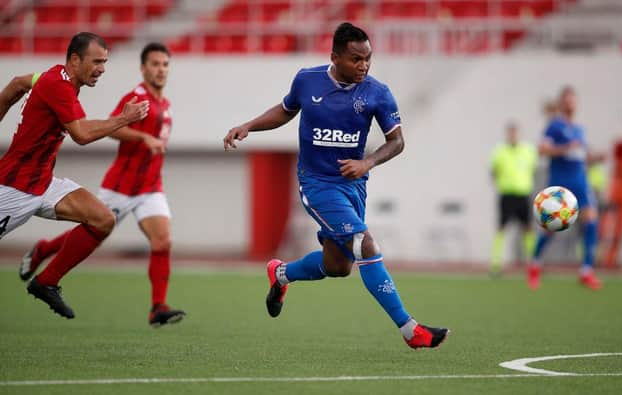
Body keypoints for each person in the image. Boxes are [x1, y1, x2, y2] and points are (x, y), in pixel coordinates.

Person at [223, 22, 449, 349]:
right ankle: (409, 329)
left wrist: (367, 162)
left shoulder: (377, 93)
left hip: (353, 185)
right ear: (335, 57)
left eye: (368, 58)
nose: (364, 65)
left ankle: (281, 274)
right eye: (356, 59)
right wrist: (249, 126)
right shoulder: (307, 79)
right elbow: (286, 110)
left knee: (339, 266)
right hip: (316, 184)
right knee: (364, 243)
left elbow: (397, 141)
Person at [19, 43, 185, 327]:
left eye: (165, 64)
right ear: (143, 68)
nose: (160, 69)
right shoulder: (137, 97)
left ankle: (158, 307)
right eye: (155, 64)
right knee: (95, 227)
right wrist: (142, 138)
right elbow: (113, 127)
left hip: (150, 187)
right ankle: (45, 249)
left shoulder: (164, 104)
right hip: (121, 186)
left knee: (163, 241)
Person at [0, 32, 149, 318]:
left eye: (104, 62)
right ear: (75, 60)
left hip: (41, 183)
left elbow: (17, 83)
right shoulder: (58, 84)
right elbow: (80, 134)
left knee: (103, 219)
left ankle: (46, 282)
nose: (102, 69)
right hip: (14, 188)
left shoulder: (54, 76)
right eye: (96, 62)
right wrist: (123, 119)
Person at [528, 86, 602, 290]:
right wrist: (564, 148)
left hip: (580, 182)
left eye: (573, 99)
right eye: (567, 100)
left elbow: (581, 155)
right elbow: (542, 149)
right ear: (561, 103)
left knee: (591, 221)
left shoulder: (579, 129)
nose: (570, 103)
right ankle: (535, 264)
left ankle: (586, 270)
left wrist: (596, 157)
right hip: (561, 184)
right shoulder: (555, 126)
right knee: (551, 229)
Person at [489, 122, 538, 276]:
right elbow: (493, 171)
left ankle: (534, 263)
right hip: (506, 194)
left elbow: (533, 170)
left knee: (528, 228)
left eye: (515, 132)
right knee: (501, 228)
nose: (513, 135)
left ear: (519, 133)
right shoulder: (499, 151)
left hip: (523, 194)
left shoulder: (529, 150)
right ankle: (496, 264)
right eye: (510, 133)